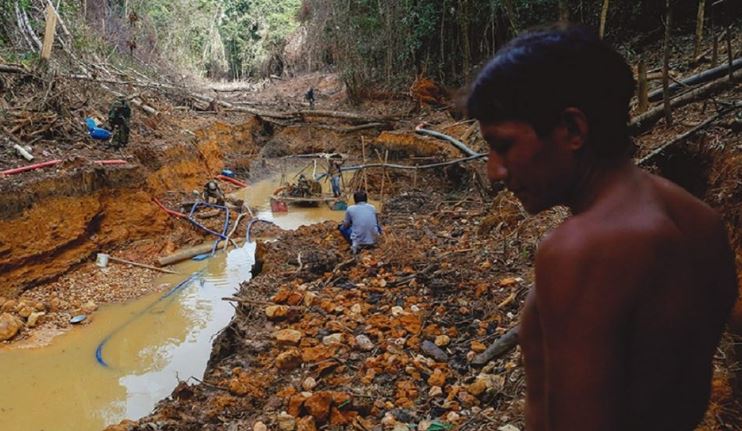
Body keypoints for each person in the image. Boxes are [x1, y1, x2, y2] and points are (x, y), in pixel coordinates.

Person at [467, 25, 737, 431]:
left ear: (573, 130)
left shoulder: (582, 249)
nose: (493, 172)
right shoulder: (699, 221)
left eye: (503, 145)